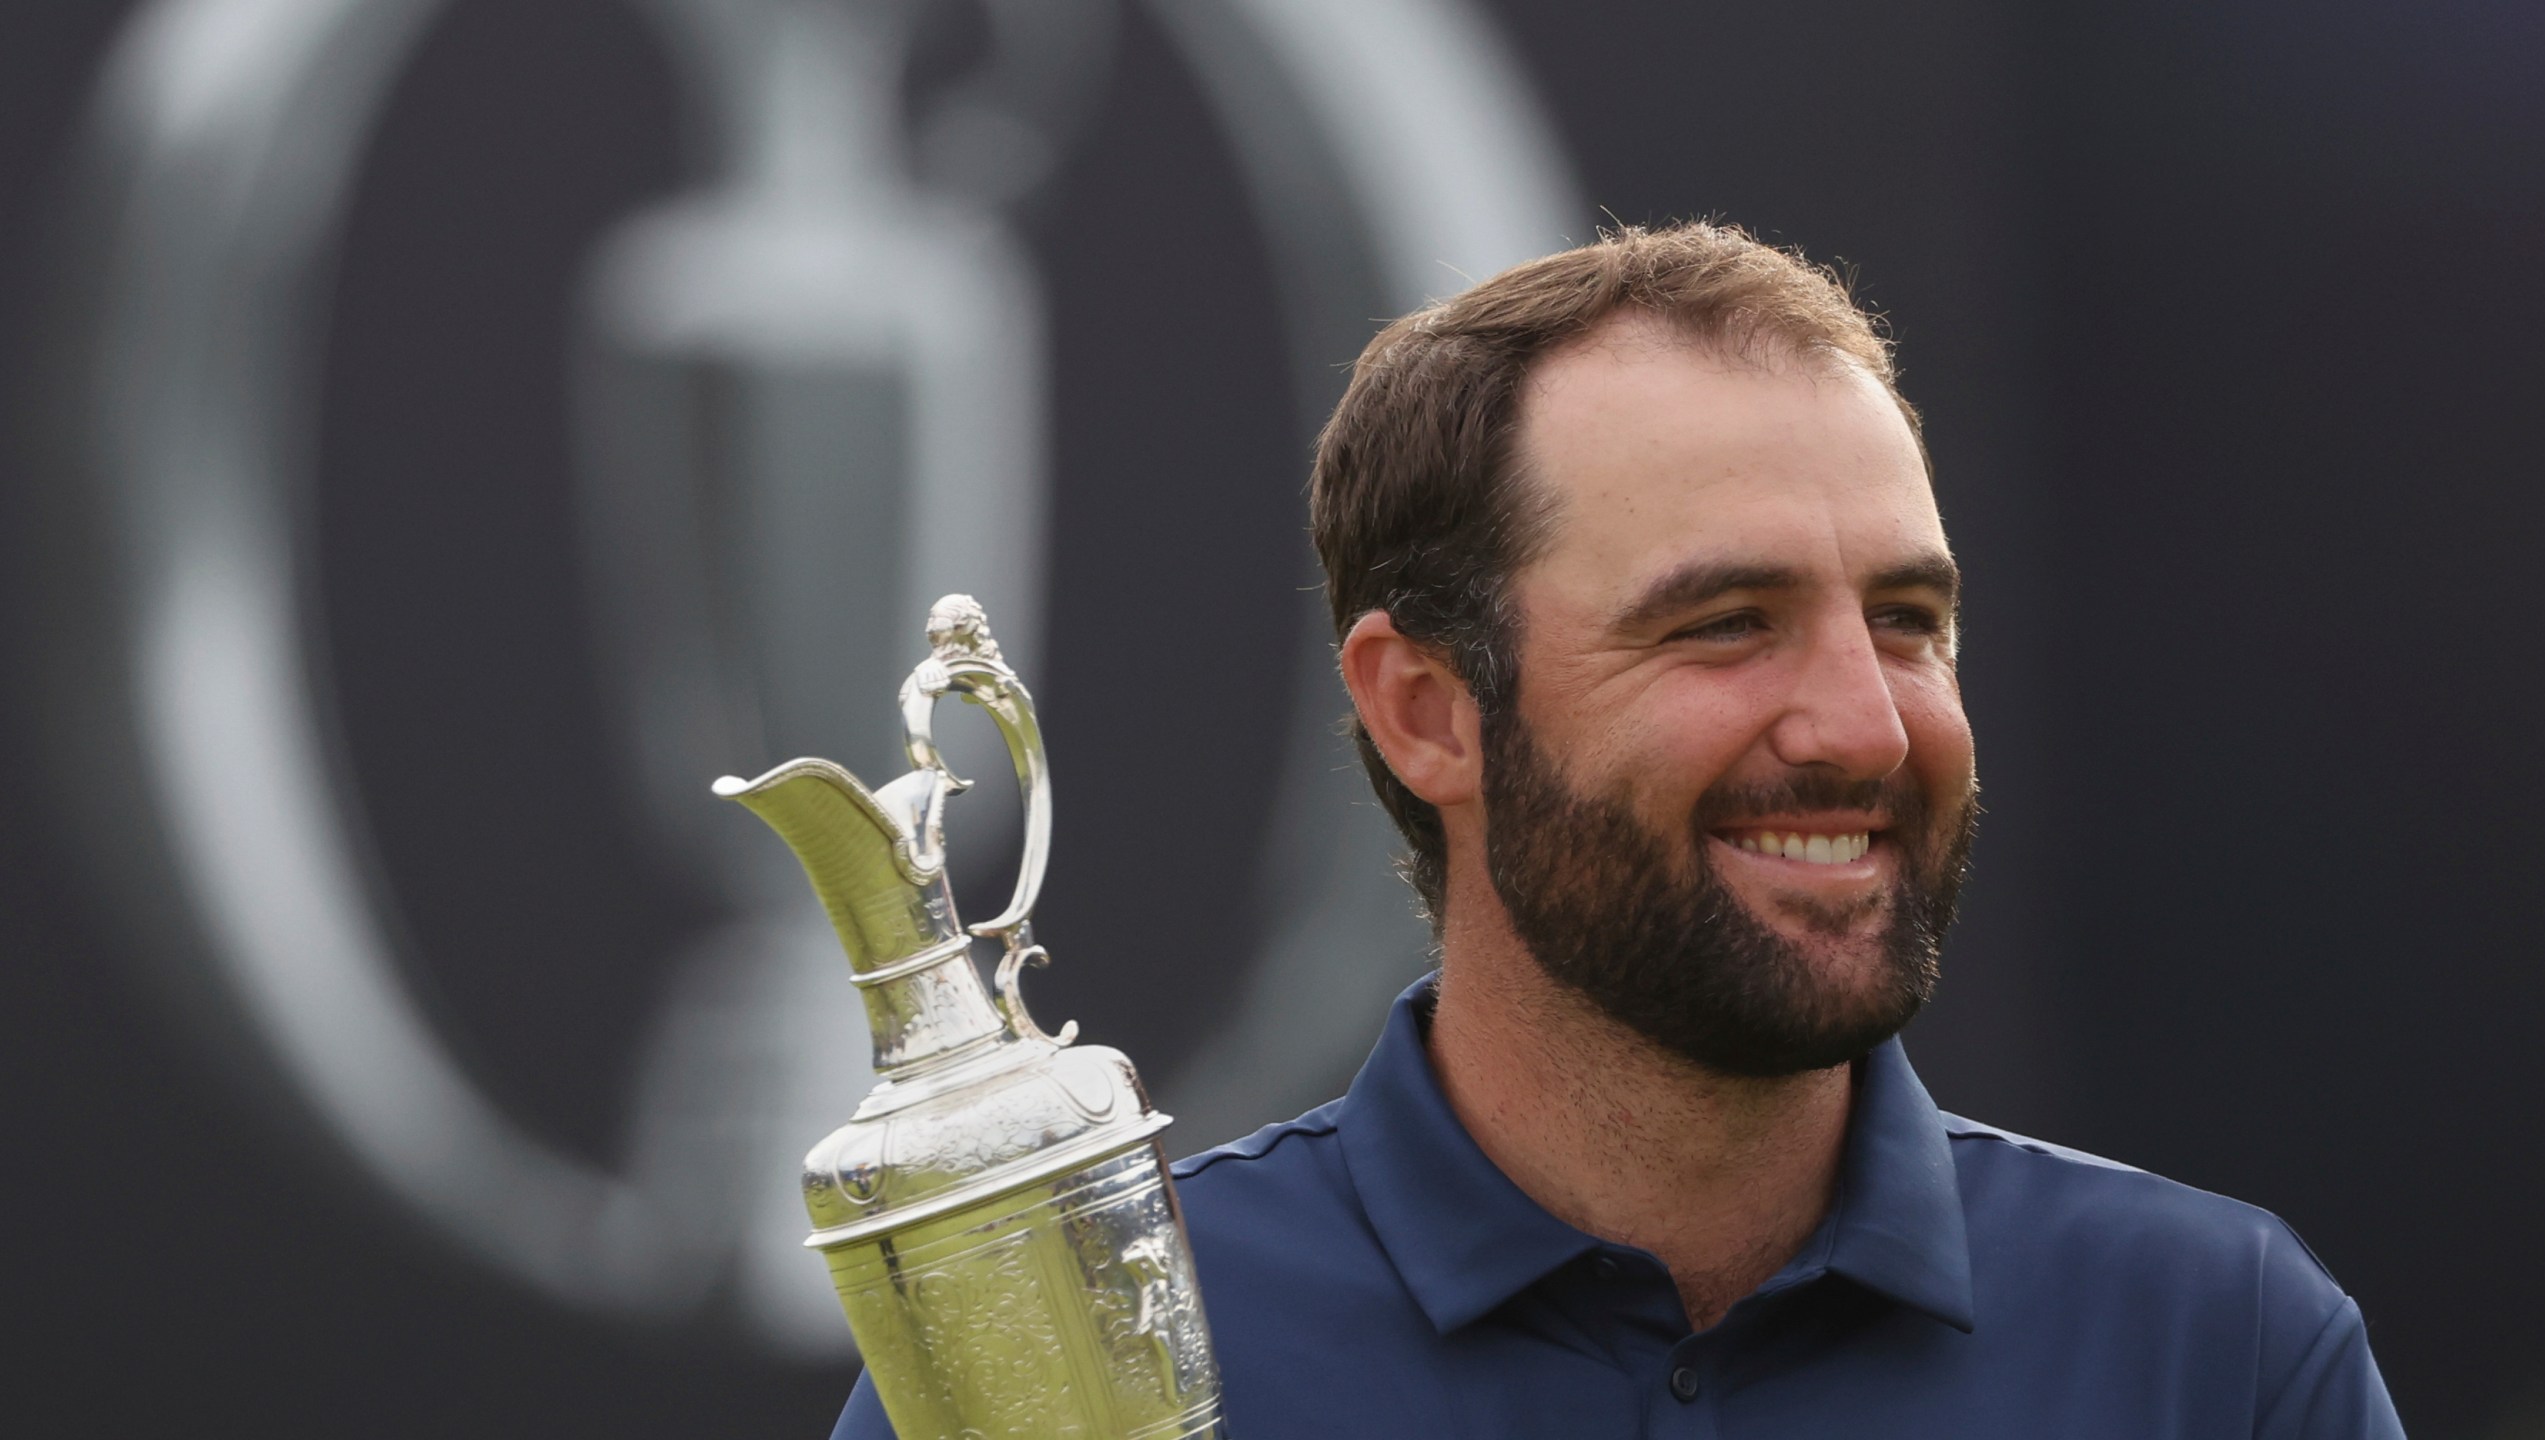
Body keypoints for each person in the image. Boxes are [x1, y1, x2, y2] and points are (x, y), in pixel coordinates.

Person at [830, 223, 2402, 1437]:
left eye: (1910, 621)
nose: (1868, 722)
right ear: (1427, 710)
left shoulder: (2218, 1344)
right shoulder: (1086, 1361)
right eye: (1727, 622)